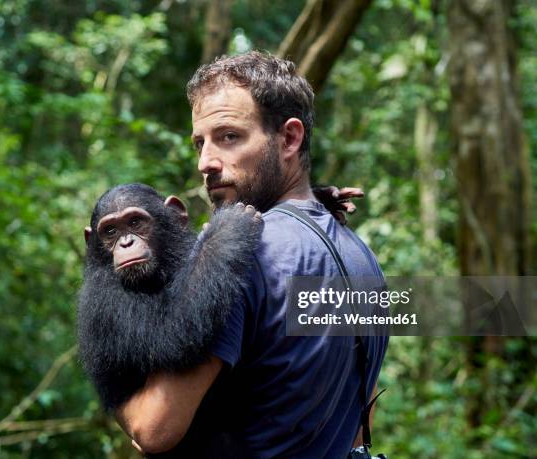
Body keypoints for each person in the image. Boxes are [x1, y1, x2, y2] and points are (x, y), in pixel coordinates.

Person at [115, 51, 388, 458]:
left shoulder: (235, 254)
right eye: (199, 143)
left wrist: (105, 368)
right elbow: (352, 430)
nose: (206, 163)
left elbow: (153, 428)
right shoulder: (363, 258)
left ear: (290, 138)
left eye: (228, 136)